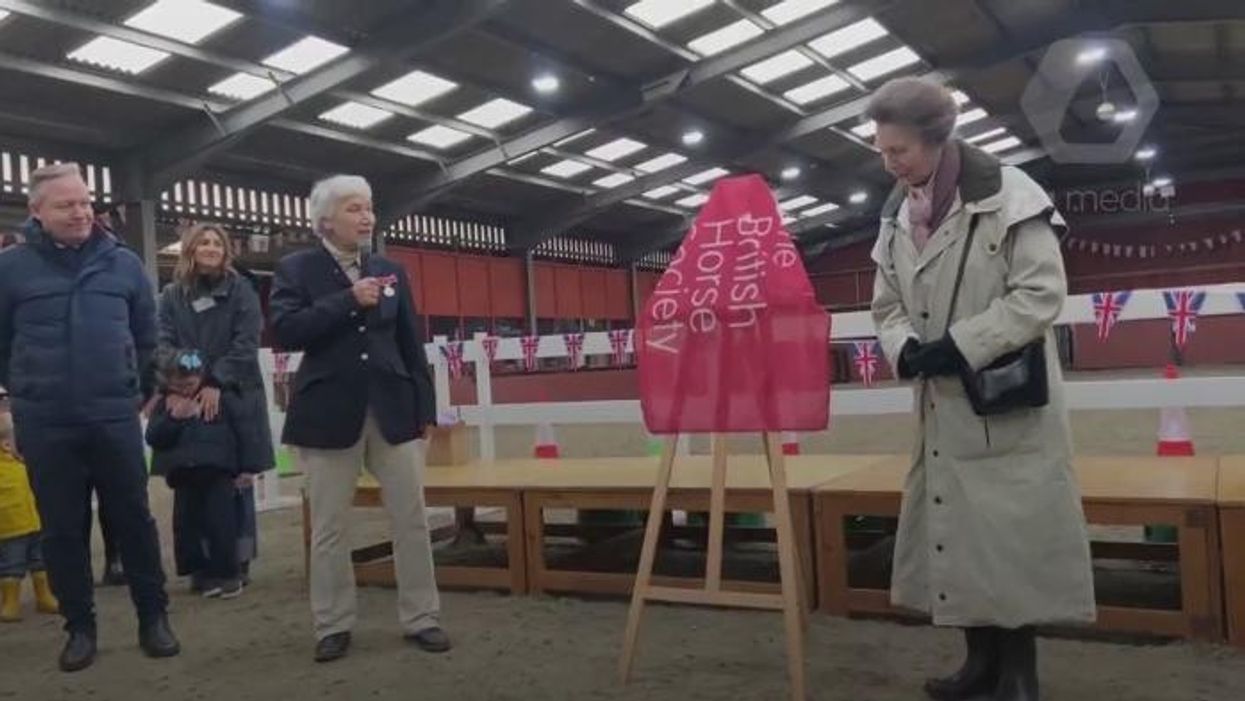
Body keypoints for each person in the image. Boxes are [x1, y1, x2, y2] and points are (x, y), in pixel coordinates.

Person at [867, 78, 1095, 701]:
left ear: (939, 142)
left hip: (1006, 400)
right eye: (882, 151)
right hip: (941, 406)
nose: (890, 164)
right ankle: (978, 665)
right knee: (957, 533)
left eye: (901, 152)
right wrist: (903, 347)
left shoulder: (1011, 197)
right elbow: (885, 305)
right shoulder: (894, 215)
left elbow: (1041, 294)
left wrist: (962, 343)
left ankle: (1019, 674)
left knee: (1011, 537)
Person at [0, 162, 179, 672]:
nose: (80, 212)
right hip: (46, 421)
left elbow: (149, 338)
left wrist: (139, 395)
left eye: (84, 202)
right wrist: (25, 394)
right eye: (66, 205)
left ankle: (154, 617)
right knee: (61, 529)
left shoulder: (123, 264)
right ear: (37, 211)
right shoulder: (9, 269)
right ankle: (80, 627)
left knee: (134, 521)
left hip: (113, 415)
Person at [270, 174, 447, 663]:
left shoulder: (392, 270)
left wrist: (425, 407)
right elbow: (287, 330)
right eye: (354, 208)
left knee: (412, 519)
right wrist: (349, 300)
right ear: (325, 220)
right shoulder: (296, 269)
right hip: (328, 413)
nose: (367, 216)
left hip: (394, 409)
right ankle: (332, 624)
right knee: (329, 526)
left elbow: (411, 341)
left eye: (369, 207)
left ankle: (422, 616)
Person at [157, 223, 273, 587]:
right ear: (190, 249)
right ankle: (201, 563)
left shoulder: (242, 290)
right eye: (203, 242)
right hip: (189, 396)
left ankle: (236, 562)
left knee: (235, 481)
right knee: (193, 483)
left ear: (226, 251)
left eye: (217, 243)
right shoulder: (172, 295)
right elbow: (163, 342)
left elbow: (245, 342)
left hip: (236, 393)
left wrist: (216, 382)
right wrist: (189, 383)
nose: (211, 248)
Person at [146, 348, 257, 598]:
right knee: (187, 528)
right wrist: (174, 418)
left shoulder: (224, 397)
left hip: (218, 471)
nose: (185, 389)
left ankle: (229, 574)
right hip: (184, 475)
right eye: (178, 385)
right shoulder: (166, 405)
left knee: (222, 525)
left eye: (190, 383)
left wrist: (247, 467)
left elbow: (244, 432)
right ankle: (200, 573)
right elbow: (154, 437)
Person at [0, 410, 59, 622]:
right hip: (9, 525)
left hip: (34, 520)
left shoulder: (24, 462)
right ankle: (10, 600)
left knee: (40, 560)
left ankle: (44, 596)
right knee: (11, 564)